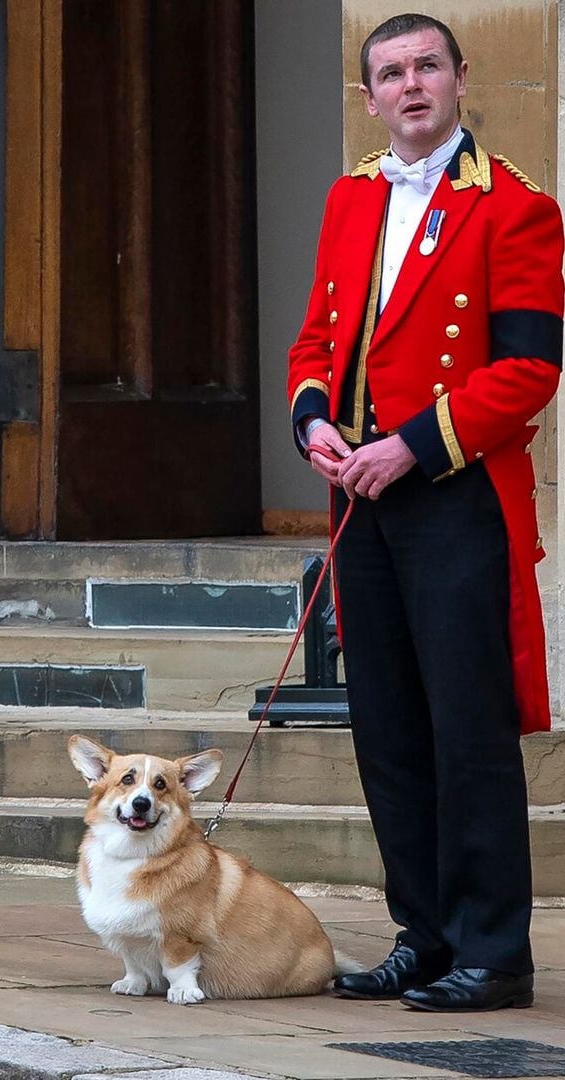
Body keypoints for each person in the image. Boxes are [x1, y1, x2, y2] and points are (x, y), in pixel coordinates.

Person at [289, 13, 563, 1011]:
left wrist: (412, 441)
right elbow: (317, 339)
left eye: (427, 68)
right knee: (388, 727)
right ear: (369, 96)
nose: (410, 86)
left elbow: (532, 366)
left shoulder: (516, 210)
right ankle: (427, 933)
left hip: (452, 496)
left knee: (466, 729)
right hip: (362, 498)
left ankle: (494, 951)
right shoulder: (352, 195)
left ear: (458, 79)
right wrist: (316, 424)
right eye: (390, 73)